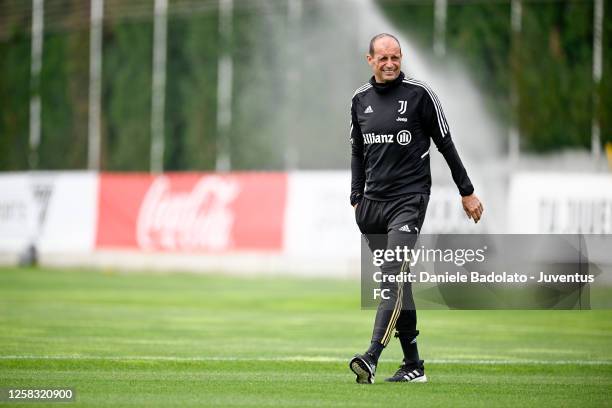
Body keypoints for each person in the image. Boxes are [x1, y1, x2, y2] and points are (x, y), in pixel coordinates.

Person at [348, 33, 483, 384]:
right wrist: (355, 198)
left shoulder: (420, 94)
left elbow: (446, 144)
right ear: (370, 60)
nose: (391, 64)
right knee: (400, 284)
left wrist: (466, 191)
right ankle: (413, 365)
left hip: (409, 201)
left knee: (391, 277)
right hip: (371, 207)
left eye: (396, 57)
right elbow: (357, 152)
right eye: (383, 58)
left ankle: (372, 356)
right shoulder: (359, 101)